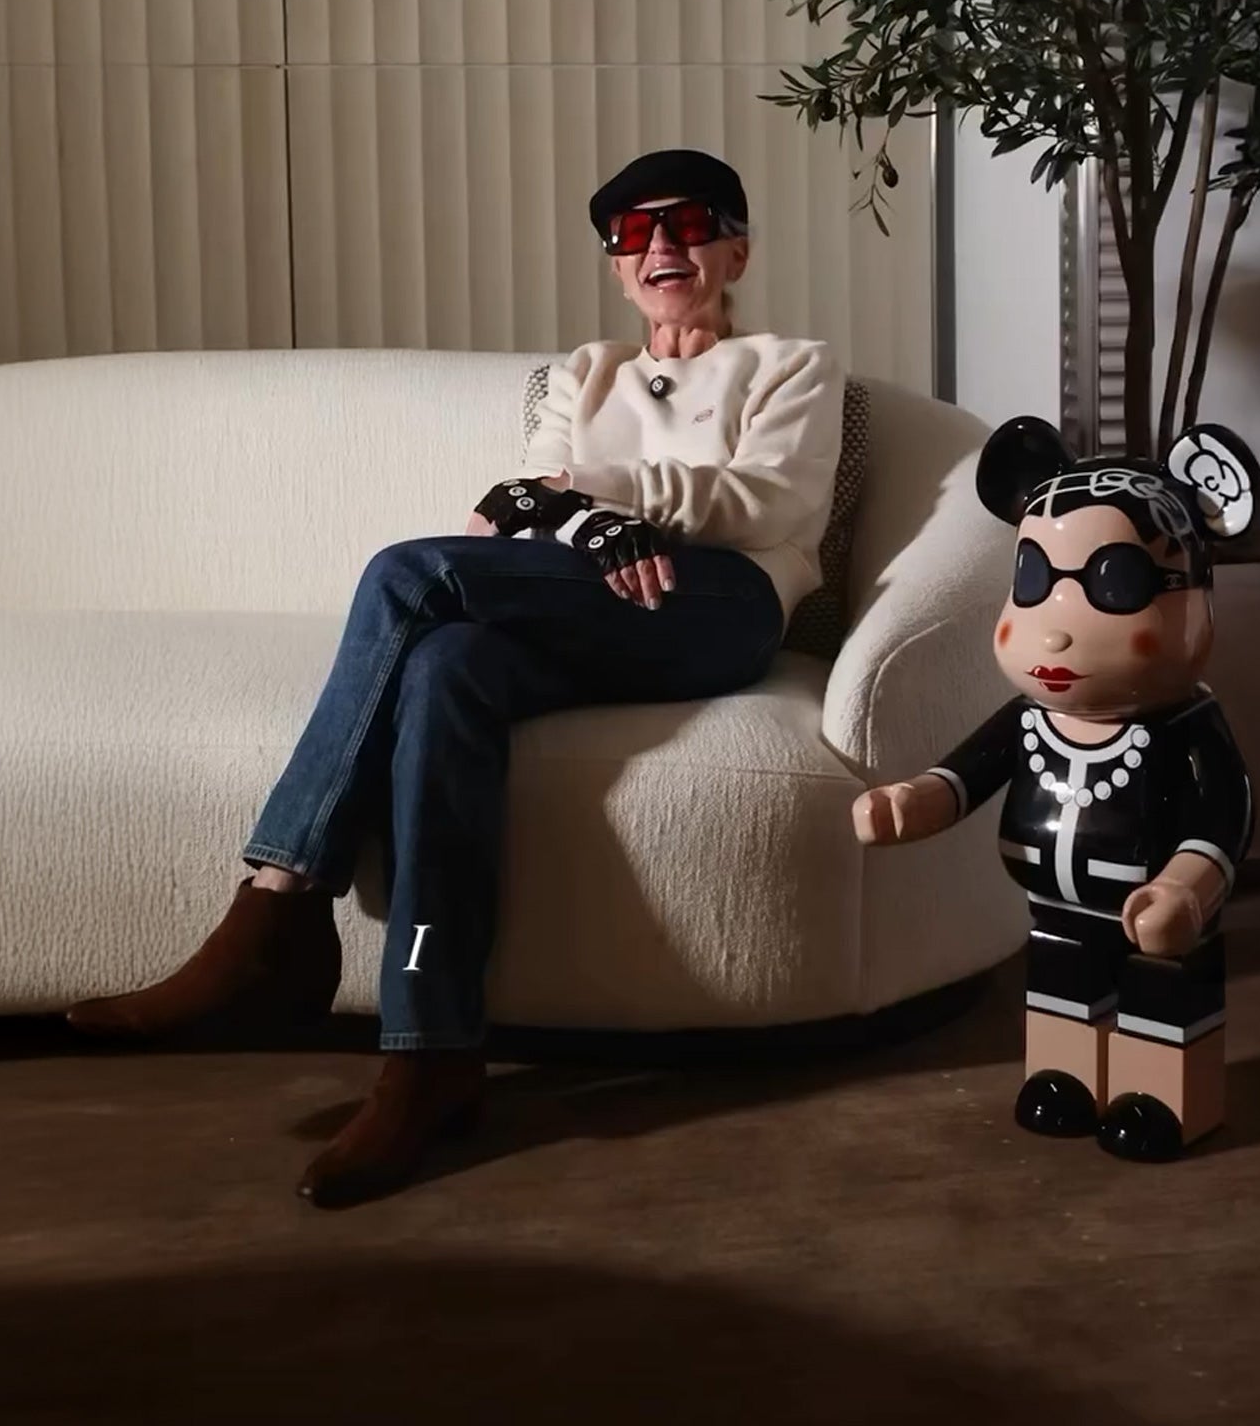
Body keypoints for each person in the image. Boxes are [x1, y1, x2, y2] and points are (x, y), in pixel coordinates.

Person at [66, 149, 846, 1207]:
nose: (660, 245)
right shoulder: (586, 373)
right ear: (617, 268)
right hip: (588, 599)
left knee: (410, 573)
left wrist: (593, 496)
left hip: (721, 603)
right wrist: (586, 520)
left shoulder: (791, 365)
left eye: (689, 223)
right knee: (446, 666)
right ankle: (431, 1054)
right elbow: (518, 508)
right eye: (632, 232)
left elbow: (768, 501)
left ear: (737, 251)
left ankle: (276, 903)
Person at [852, 417, 1260, 1162]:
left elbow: (1225, 814)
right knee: (1062, 992)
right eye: (1034, 582)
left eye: (1116, 584)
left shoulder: (1187, 728)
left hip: (1157, 916)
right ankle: (1069, 1078)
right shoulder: (1028, 717)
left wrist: (1185, 888)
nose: (1055, 631)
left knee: (1163, 1002)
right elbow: (967, 775)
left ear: (1193, 595)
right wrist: (912, 801)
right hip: (1054, 910)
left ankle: (1163, 1098)